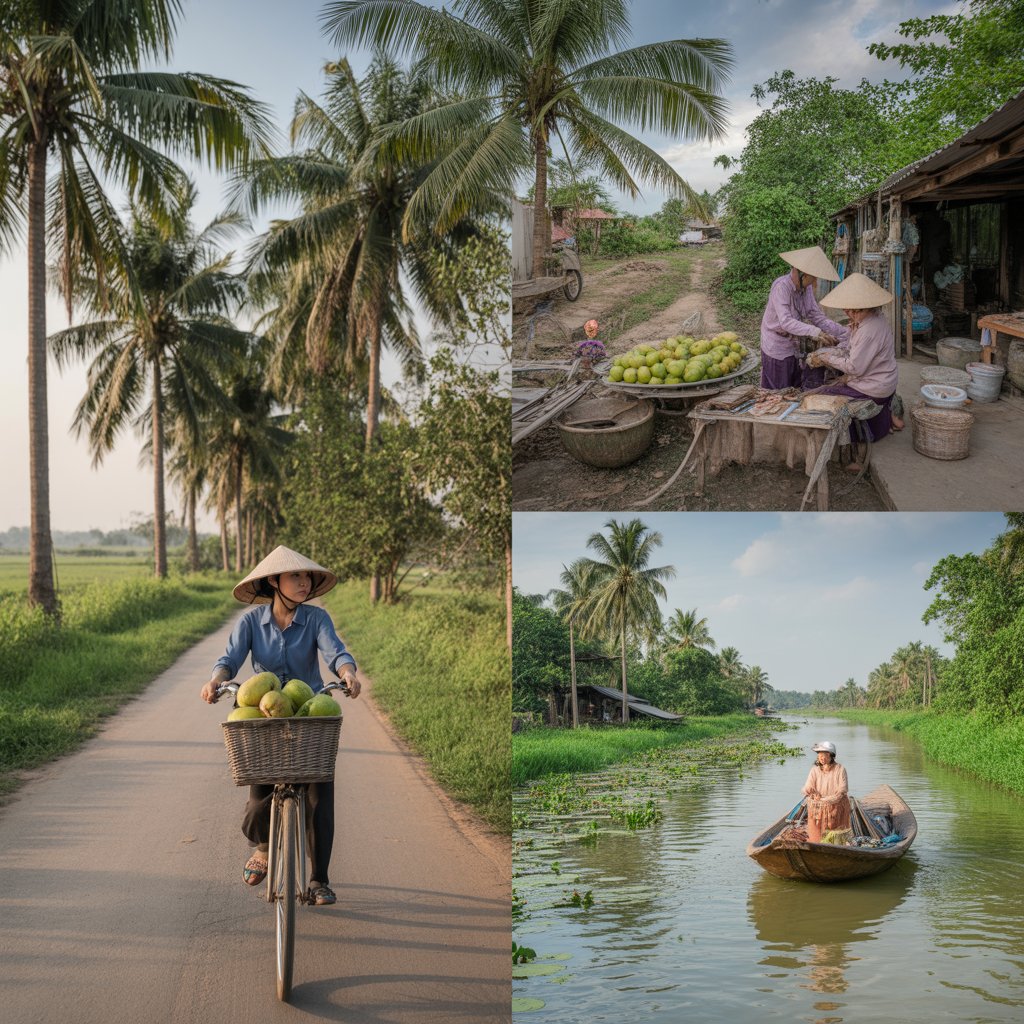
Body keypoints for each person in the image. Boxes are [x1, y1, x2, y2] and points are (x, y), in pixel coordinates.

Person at [200, 545, 360, 906]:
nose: (304, 583)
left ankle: (319, 879)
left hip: (309, 710)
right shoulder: (251, 623)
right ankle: (263, 844)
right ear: (274, 581)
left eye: (307, 577)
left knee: (320, 791)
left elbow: (335, 652)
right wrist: (216, 681)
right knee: (258, 787)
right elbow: (230, 659)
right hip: (264, 711)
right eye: (295, 577)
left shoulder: (316, 620)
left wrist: (347, 674)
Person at [806, 272, 905, 471]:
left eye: (855, 311)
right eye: (847, 310)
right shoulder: (872, 319)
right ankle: (888, 419)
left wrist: (827, 358)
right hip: (884, 380)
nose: (850, 313)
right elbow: (851, 347)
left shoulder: (869, 330)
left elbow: (855, 367)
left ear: (867, 307)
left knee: (826, 394)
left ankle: (852, 457)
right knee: (836, 381)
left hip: (874, 387)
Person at [760, 246, 850, 390]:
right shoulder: (781, 287)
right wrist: (815, 332)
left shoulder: (805, 288)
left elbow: (815, 315)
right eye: (814, 278)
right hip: (776, 345)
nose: (815, 283)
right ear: (803, 274)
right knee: (777, 391)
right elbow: (786, 322)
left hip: (794, 344)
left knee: (793, 388)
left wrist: (844, 332)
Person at [802, 740, 850, 844]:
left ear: (831, 756)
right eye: (819, 756)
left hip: (835, 807)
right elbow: (807, 786)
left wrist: (827, 800)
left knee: (835, 836)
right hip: (818, 807)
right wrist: (811, 792)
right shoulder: (814, 770)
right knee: (817, 837)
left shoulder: (840, 769)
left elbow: (842, 789)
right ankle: (816, 844)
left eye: (824, 756)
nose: (821, 758)